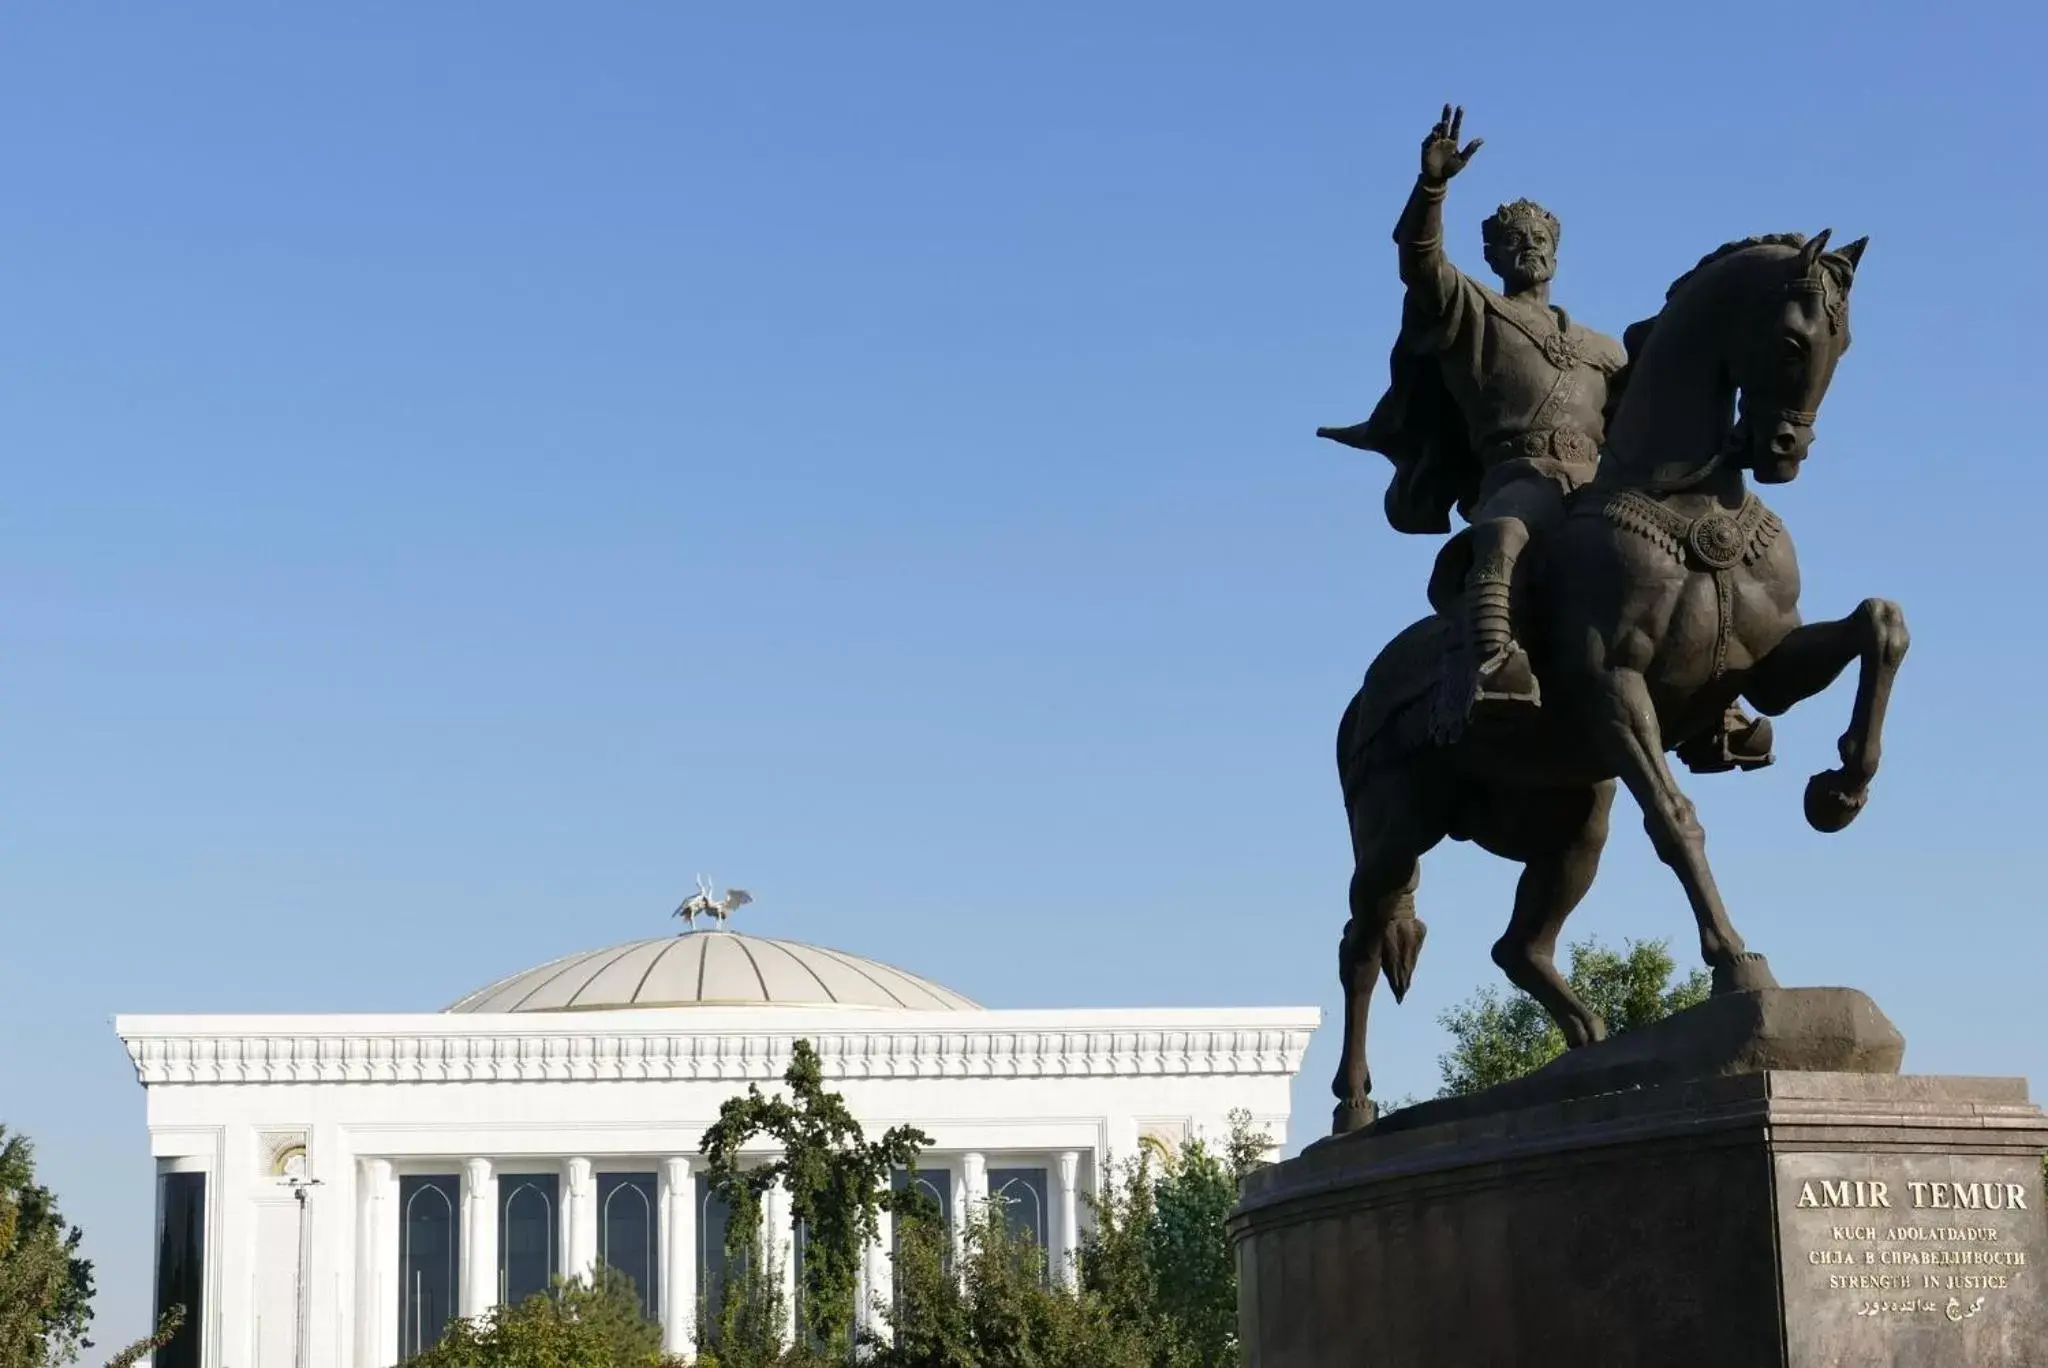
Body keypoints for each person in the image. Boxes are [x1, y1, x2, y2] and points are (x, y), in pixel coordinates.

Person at [1320, 105, 1771, 772]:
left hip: (1601, 485)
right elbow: (1419, 263)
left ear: (1557, 252)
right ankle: (1493, 663)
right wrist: (1433, 188)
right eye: (1515, 241)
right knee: (1505, 534)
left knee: (1689, 549)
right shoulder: (1478, 314)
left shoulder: (1601, 348)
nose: (1529, 248)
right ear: (1495, 256)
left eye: (1540, 239)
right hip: (1518, 478)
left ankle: (1715, 707)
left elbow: (1653, 422)